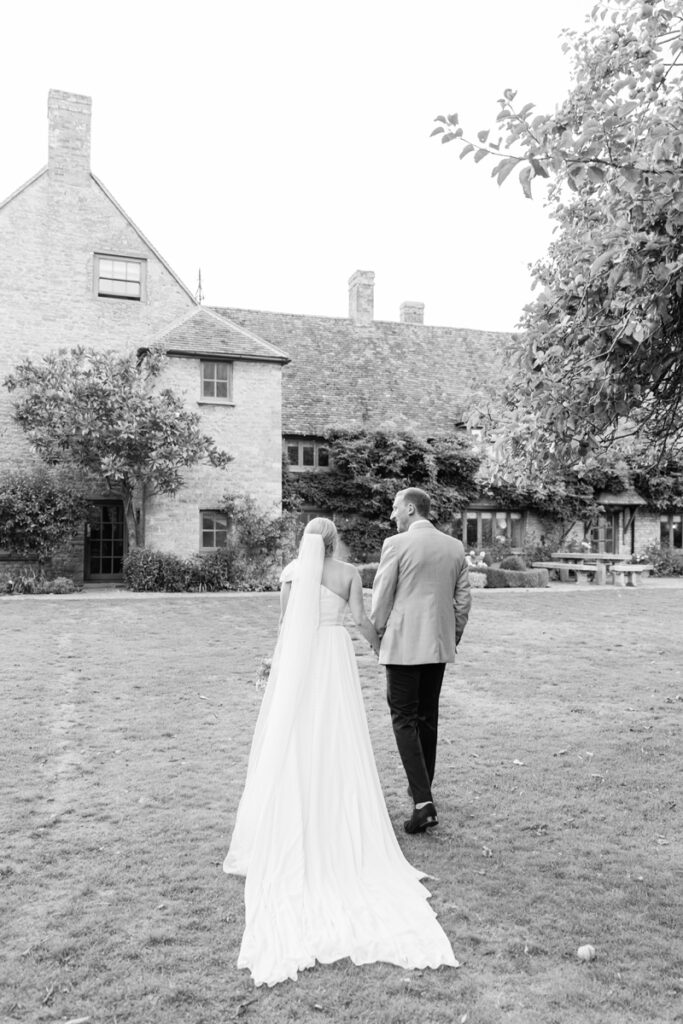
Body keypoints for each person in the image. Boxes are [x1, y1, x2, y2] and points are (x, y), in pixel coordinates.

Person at [224, 517, 458, 986]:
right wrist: (379, 644)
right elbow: (359, 620)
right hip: (333, 656)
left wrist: (277, 664)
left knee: (298, 731)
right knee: (338, 728)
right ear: (334, 542)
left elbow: (285, 624)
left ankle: (301, 799)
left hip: (303, 659)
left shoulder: (292, 573)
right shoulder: (349, 573)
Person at [371, 488, 471, 834]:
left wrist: (378, 635)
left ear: (411, 509)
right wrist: (450, 636)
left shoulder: (395, 545)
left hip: (403, 646)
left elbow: (382, 598)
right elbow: (463, 602)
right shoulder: (454, 547)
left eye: (395, 508)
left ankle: (422, 803)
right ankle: (422, 791)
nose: (392, 515)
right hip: (438, 646)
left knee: (404, 719)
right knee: (427, 717)